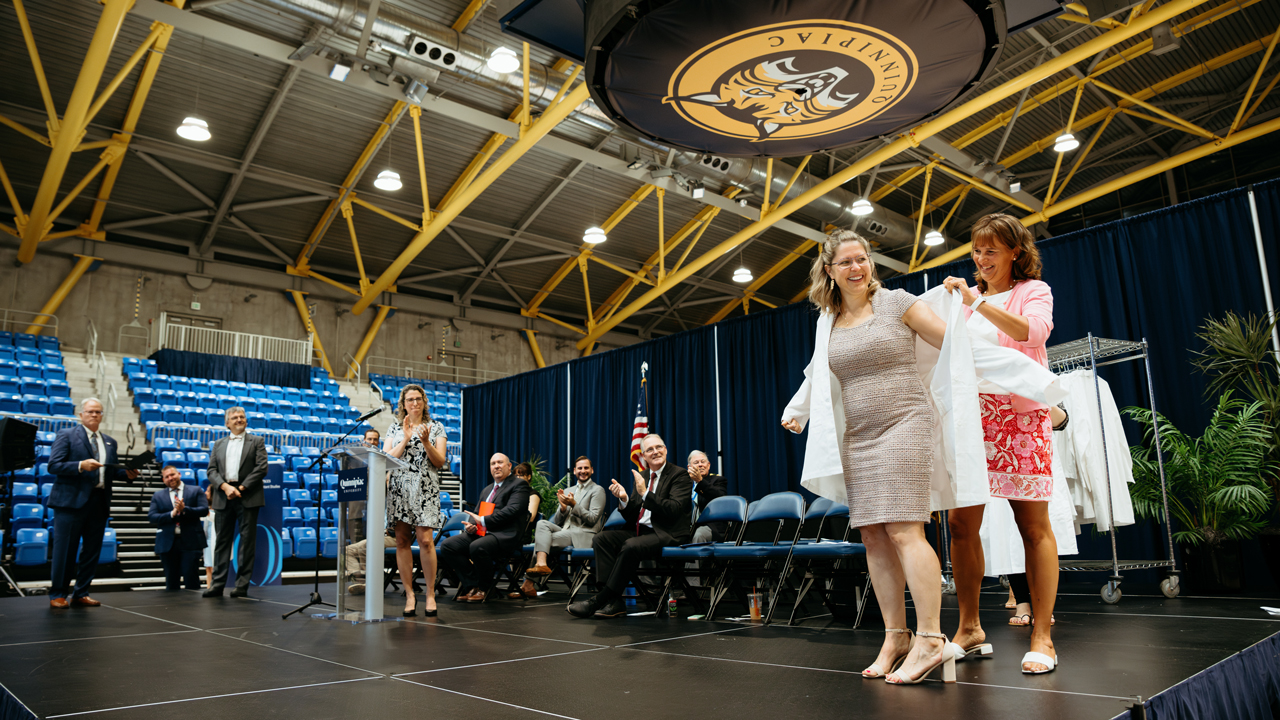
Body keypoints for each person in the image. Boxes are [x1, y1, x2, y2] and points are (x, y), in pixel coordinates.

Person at [781, 230, 957, 686]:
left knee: (904, 528)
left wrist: (968, 306)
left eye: (862, 259)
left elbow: (954, 341)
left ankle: (932, 639)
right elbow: (819, 371)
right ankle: (895, 636)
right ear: (829, 270)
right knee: (874, 537)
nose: (857, 268)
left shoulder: (897, 303)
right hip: (858, 435)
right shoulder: (828, 319)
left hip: (906, 423)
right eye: (847, 262)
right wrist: (797, 411)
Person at [942, 213, 1060, 675]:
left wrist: (976, 302)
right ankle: (969, 629)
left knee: (1033, 527)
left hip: (1019, 419)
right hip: (972, 421)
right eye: (976, 249)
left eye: (991, 250)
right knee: (959, 524)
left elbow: (1030, 332)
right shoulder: (964, 302)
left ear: (1015, 251)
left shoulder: (1034, 291)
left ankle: (1043, 636)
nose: (982, 258)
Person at [567, 434, 691, 619]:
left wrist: (645, 493)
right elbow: (634, 515)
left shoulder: (679, 475)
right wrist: (624, 499)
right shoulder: (642, 476)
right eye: (650, 449)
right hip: (643, 532)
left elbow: (674, 509)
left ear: (665, 450)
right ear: (644, 456)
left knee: (632, 545)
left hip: (668, 532)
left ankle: (601, 599)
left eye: (659, 447)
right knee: (601, 539)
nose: (655, 451)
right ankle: (615, 602)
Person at [46, 398, 139, 608]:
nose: (94, 415)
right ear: (81, 414)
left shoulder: (109, 442)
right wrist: (80, 465)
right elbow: (53, 465)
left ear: (102, 415)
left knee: (91, 551)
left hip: (98, 502)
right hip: (70, 503)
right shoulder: (67, 435)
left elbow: (111, 472)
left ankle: (81, 592)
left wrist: (128, 475)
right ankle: (58, 594)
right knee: (65, 551)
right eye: (90, 412)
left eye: (98, 412)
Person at [384, 384, 448, 617]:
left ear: (424, 402)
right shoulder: (393, 428)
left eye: (418, 399)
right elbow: (387, 458)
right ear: (403, 404)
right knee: (401, 541)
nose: (415, 403)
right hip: (399, 489)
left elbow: (439, 461)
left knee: (426, 540)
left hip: (425, 489)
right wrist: (406, 440)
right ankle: (410, 594)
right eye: (410, 399)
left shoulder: (436, 427)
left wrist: (426, 442)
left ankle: (430, 594)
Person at [440, 453, 531, 602]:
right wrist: (472, 525)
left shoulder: (518, 485)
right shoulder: (487, 489)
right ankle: (472, 586)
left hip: (504, 535)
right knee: (448, 545)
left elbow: (512, 511)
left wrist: (482, 520)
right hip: (483, 534)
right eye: (493, 463)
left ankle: (485, 588)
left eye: (500, 462)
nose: (496, 466)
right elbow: (476, 513)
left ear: (509, 466)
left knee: (478, 546)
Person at [515, 456, 605, 598]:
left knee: (542, 540)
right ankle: (541, 563)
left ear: (592, 470)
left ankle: (528, 584)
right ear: (575, 471)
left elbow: (593, 519)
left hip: (583, 533)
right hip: (565, 531)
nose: (583, 471)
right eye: (580, 468)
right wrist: (563, 509)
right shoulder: (570, 489)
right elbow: (557, 521)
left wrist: (574, 505)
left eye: (586, 468)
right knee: (542, 523)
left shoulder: (598, 490)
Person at [204, 406, 268, 598]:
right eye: (234, 417)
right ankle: (217, 584)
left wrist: (240, 488)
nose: (239, 419)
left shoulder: (257, 441)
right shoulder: (218, 444)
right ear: (227, 423)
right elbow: (211, 471)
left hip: (247, 495)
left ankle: (241, 585)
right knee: (221, 542)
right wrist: (225, 487)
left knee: (247, 543)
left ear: (246, 421)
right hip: (223, 495)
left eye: (242, 417)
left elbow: (261, 467)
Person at [148, 464, 209, 591]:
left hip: (191, 541)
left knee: (191, 578)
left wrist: (184, 509)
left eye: (172, 474)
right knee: (171, 581)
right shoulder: (158, 496)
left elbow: (204, 510)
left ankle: (193, 610)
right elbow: (152, 517)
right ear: (163, 480)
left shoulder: (195, 490)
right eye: (166, 477)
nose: (170, 478)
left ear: (179, 474)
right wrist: (172, 513)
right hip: (167, 543)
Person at [686, 450, 729, 543]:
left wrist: (700, 481)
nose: (700, 465)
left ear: (708, 465)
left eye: (703, 462)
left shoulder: (718, 480)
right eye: (696, 462)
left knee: (699, 535)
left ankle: (698, 558)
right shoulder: (684, 484)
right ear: (689, 468)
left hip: (709, 526)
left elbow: (720, 498)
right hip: (687, 525)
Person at [345, 529, 397, 595]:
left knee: (365, 546)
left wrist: (388, 531)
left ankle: (368, 579)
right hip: (382, 536)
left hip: (398, 538)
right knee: (347, 550)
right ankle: (358, 578)